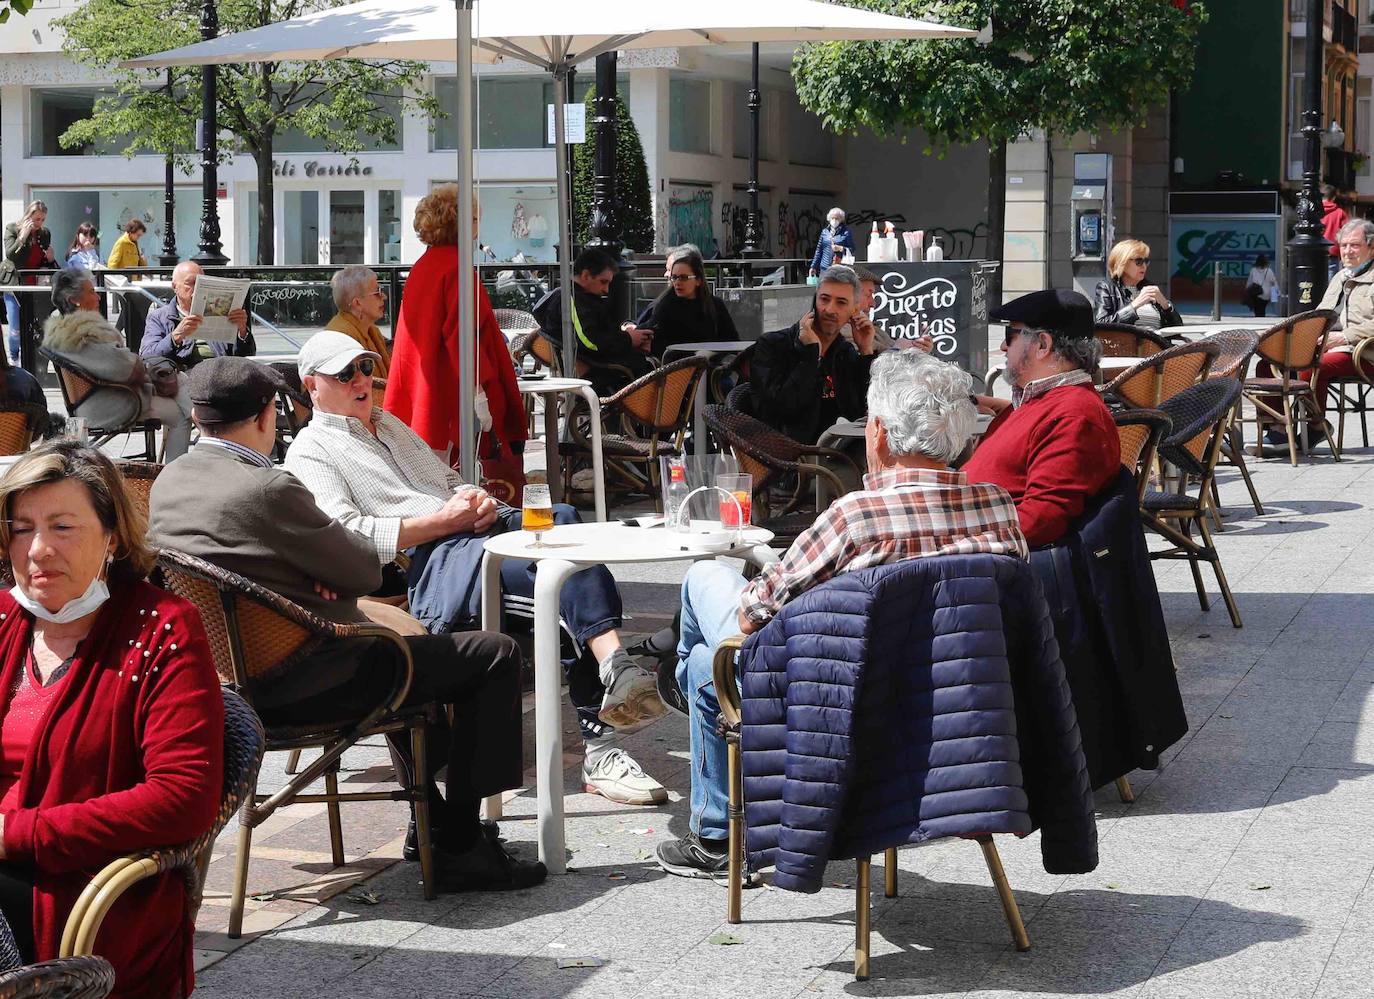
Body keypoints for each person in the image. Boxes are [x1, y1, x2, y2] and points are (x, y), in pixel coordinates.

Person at [148, 357, 544, 891]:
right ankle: (459, 842)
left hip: (228, 682)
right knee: (491, 653)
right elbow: (362, 567)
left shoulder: (170, 479)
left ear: (197, 420)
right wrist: (321, 574)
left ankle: (432, 824)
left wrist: (308, 571)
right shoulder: (268, 488)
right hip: (317, 675)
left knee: (410, 647)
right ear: (268, 416)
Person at [656, 350, 1028, 877]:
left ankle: (716, 829)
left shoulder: (855, 517)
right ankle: (696, 702)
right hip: (953, 706)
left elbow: (752, 616)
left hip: (839, 705)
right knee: (704, 649)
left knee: (703, 617)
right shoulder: (997, 506)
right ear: (963, 437)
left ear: (876, 432)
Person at [285, 330, 671, 806]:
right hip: (432, 564)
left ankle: (614, 666)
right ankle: (603, 734)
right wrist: (441, 520)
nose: (360, 380)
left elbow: (448, 481)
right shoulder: (310, 450)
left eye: (364, 367)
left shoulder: (391, 426)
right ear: (311, 385)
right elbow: (346, 536)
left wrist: (478, 500)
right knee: (558, 583)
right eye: (344, 374)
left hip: (472, 533)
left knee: (565, 523)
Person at [0, 439, 223, 992]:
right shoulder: (5, 618)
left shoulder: (162, 629)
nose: (38, 549)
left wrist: (14, 832)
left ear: (113, 537)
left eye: (62, 527)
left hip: (76, 887)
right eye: (22, 527)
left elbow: (182, 797)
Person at [965, 289, 1119, 548]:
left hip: (991, 565)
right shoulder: (1043, 401)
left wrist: (957, 543)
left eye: (1009, 336)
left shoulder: (1073, 415)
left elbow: (1042, 519)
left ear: (1043, 345)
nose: (1003, 346)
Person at [384, 185, 525, 464]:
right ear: (460, 222)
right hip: (450, 395)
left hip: (422, 389)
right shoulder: (457, 269)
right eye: (474, 219)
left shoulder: (422, 267)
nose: (478, 226)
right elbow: (463, 341)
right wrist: (483, 401)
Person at [41, 267, 194, 461]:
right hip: (110, 404)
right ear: (74, 300)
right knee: (179, 415)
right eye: (91, 292)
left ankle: (204, 421)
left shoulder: (64, 330)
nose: (97, 298)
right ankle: (177, 472)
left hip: (95, 399)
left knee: (175, 382)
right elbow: (128, 369)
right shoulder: (83, 334)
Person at [750, 264, 878, 443]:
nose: (830, 309)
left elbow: (863, 412)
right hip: (789, 456)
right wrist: (810, 354)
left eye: (841, 302)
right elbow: (781, 410)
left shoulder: (844, 352)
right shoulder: (773, 346)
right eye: (824, 299)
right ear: (814, 301)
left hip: (840, 454)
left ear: (855, 310)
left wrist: (866, 351)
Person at [532, 247, 653, 395]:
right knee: (651, 371)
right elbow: (590, 341)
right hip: (602, 376)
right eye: (603, 282)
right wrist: (628, 339)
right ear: (585, 275)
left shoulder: (564, 297)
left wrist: (627, 336)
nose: (606, 290)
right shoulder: (574, 300)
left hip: (597, 369)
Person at [1298, 218, 1374, 423]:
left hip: (1365, 353)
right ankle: (1277, 430)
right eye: (1344, 245)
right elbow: (1321, 313)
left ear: (1371, 247)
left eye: (1355, 245)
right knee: (1269, 364)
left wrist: (1344, 337)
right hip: (1335, 349)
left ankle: (1315, 427)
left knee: (1311, 366)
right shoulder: (1340, 276)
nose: (1348, 251)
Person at [140, 260, 255, 370]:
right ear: (175, 287)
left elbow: (246, 357)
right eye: (190, 283)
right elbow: (148, 357)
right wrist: (176, 336)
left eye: (201, 283)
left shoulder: (218, 310)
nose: (196, 288)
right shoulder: (159, 317)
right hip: (184, 375)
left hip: (221, 372)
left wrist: (242, 332)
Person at [635, 245, 740, 358]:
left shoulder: (715, 305)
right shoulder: (665, 305)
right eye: (674, 277)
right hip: (674, 371)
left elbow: (732, 342)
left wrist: (711, 354)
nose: (677, 282)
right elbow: (650, 333)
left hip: (712, 368)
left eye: (684, 278)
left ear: (698, 280)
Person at [2, 201, 57, 364]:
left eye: (42, 219)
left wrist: (50, 259)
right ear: (28, 215)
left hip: (36, 284)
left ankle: (35, 361)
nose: (39, 223)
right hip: (15, 283)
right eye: (36, 219)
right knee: (15, 328)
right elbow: (11, 255)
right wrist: (22, 237)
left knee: (38, 325)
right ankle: (14, 358)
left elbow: (45, 262)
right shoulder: (12, 228)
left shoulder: (44, 233)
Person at [1093, 240, 1182, 331]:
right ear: (1122, 262)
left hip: (1156, 343)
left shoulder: (1149, 288)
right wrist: (1134, 305)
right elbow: (1101, 325)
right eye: (1138, 261)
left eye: (1146, 261)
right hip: (1125, 343)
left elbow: (1178, 330)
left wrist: (1165, 305)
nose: (1144, 266)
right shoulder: (1108, 288)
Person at [850, 264, 933, 354]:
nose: (873, 304)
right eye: (868, 295)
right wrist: (897, 350)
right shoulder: (843, 331)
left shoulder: (874, 330)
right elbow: (861, 364)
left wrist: (917, 348)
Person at [808, 207, 855, 278]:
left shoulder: (846, 232)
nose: (834, 220)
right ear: (829, 219)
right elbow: (819, 250)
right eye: (832, 218)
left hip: (839, 270)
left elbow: (852, 249)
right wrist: (813, 266)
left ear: (841, 219)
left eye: (837, 218)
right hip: (824, 269)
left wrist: (840, 248)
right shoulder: (825, 232)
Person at [1323, 185, 1348, 279]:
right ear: (1334, 197)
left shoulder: (1314, 211)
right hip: (1332, 252)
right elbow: (1346, 233)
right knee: (1331, 283)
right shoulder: (1340, 213)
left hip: (1315, 251)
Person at [1245, 253, 1279, 318]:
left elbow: (1249, 282)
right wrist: (1276, 293)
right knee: (1262, 308)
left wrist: (1247, 290)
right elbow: (1273, 282)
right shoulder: (1269, 271)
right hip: (1266, 294)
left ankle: (1258, 318)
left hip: (1256, 293)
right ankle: (1261, 317)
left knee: (1257, 309)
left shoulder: (1253, 270)